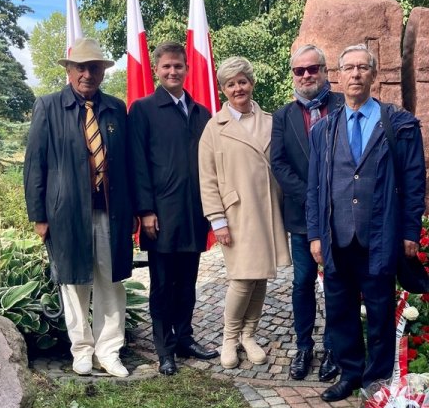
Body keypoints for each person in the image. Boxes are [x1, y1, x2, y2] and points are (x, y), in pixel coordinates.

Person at [306, 44, 426, 402]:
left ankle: (376, 379)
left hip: (380, 235)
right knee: (340, 309)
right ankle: (350, 373)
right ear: (337, 76)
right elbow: (313, 187)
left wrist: (409, 232)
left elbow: (414, 181)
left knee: (379, 309)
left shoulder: (399, 125)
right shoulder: (323, 130)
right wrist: (315, 235)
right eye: (349, 68)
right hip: (337, 236)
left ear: (374, 75)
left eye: (363, 67)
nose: (355, 74)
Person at [23, 37, 135, 378]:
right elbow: (34, 165)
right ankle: (82, 350)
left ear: (103, 72)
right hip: (66, 214)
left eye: (95, 68)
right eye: (81, 67)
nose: (88, 74)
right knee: (74, 284)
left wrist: (132, 211)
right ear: (70, 71)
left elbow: (128, 164)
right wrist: (39, 216)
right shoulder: (48, 107)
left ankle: (109, 349)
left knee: (110, 281)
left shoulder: (116, 109)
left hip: (110, 211)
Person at [130, 42, 218, 376]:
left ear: (187, 69)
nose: (172, 71)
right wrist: (146, 210)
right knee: (162, 285)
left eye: (178, 66)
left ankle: (184, 337)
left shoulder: (201, 113)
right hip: (161, 216)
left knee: (188, 283)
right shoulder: (143, 110)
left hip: (194, 213)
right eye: (166, 66)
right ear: (157, 69)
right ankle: (164, 349)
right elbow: (138, 164)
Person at [199, 56, 291, 369]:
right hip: (236, 214)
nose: (238, 88)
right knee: (241, 279)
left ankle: (248, 335)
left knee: (261, 276)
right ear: (223, 89)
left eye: (242, 81)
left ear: (251, 83)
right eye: (230, 83)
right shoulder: (215, 127)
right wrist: (217, 219)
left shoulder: (270, 121)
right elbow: (207, 177)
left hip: (267, 209)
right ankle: (229, 338)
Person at [271, 44, 343, 382]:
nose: (306, 76)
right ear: (293, 76)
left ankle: (333, 346)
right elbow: (279, 164)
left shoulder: (345, 105)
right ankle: (304, 346)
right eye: (299, 71)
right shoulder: (283, 116)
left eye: (312, 69)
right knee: (302, 282)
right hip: (301, 217)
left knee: (336, 282)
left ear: (325, 71)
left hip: (343, 216)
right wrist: (312, 196)